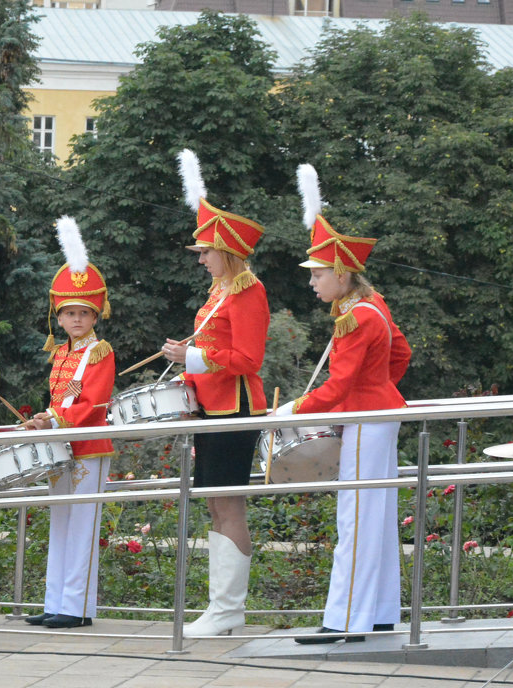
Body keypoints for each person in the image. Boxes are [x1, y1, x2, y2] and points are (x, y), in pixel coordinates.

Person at [285, 165, 411, 645]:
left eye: (317, 274)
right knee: (375, 518)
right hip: (379, 413)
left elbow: (337, 387)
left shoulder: (356, 317)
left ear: (340, 272)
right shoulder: (372, 303)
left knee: (355, 518)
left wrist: (293, 410)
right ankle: (378, 615)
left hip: (365, 417)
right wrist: (378, 387)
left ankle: (344, 622)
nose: (313, 283)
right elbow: (401, 355)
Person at [160, 149, 269, 637]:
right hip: (210, 407)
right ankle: (221, 608)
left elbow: (248, 359)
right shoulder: (218, 292)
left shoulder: (248, 290)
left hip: (237, 406)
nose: (200, 258)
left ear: (226, 251)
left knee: (228, 504)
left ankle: (228, 611)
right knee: (213, 502)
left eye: (205, 251)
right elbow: (207, 349)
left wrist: (193, 360)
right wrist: (188, 389)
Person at [21, 216, 115, 630]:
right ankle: (56, 601)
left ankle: (76, 609)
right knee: (60, 525)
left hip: (88, 447)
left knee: (81, 529)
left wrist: (54, 418)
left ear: (96, 316)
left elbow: (92, 402)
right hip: (62, 444)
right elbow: (63, 401)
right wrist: (45, 418)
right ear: (58, 319)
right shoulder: (61, 354)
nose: (76, 320)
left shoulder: (99, 352)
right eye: (69, 314)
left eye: (84, 313)